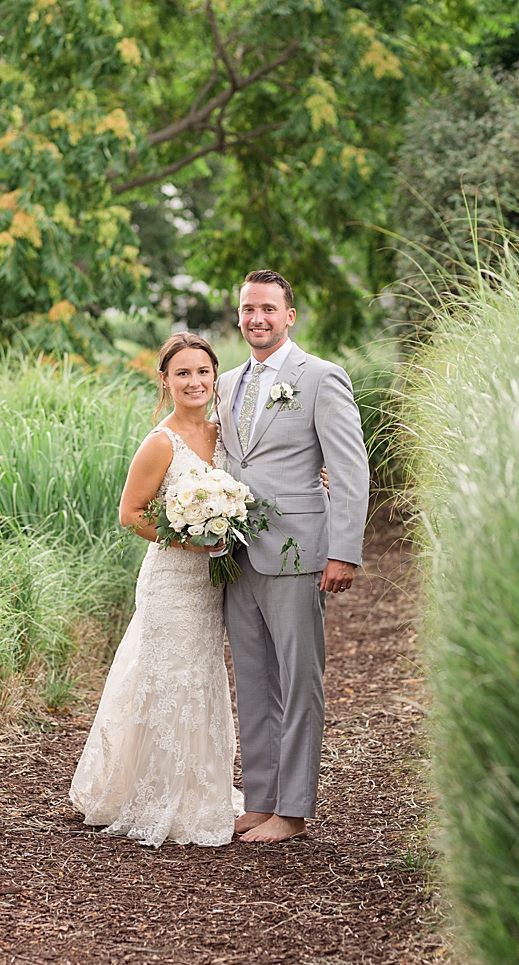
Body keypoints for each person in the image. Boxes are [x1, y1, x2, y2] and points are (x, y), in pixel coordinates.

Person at [69, 333, 244, 847]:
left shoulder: (227, 434)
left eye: (204, 372)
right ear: (165, 381)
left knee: (203, 675)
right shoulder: (160, 441)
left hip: (212, 581)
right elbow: (130, 515)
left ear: (216, 377)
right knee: (166, 676)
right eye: (183, 373)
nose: (195, 382)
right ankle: (152, 794)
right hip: (172, 578)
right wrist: (191, 538)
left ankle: (203, 790)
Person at [216, 269, 369, 843]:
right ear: (239, 314)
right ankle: (260, 799)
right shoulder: (227, 383)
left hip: (300, 551)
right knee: (252, 681)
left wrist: (343, 552)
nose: (257, 318)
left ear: (289, 316)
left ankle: (295, 808)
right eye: (248, 308)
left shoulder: (321, 378)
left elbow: (350, 469)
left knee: (300, 683)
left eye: (268, 309)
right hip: (235, 554)